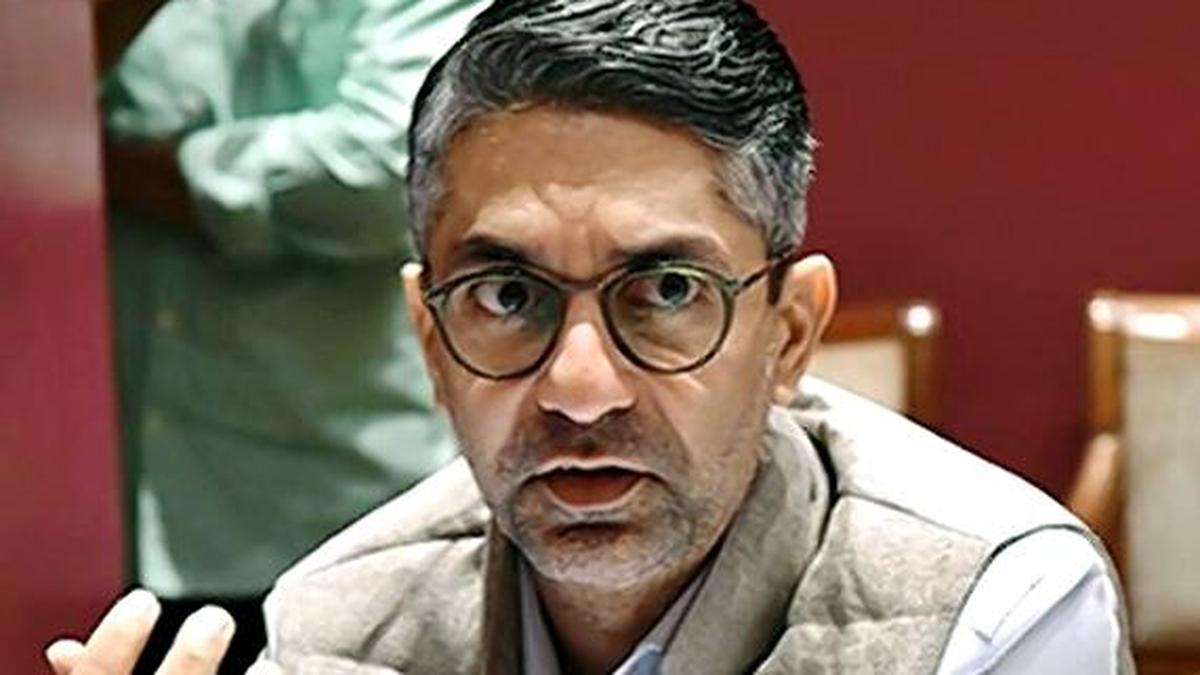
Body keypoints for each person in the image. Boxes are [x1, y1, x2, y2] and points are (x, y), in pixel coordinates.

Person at [51, 1, 1135, 673]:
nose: (580, 389)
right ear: (429, 341)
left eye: (664, 290)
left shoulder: (991, 605)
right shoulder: (335, 624)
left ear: (790, 333)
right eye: (506, 295)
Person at [91, 0, 485, 669]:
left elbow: (393, 166)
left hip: (326, 488)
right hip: (107, 500)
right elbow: (27, 104)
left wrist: (108, 167)